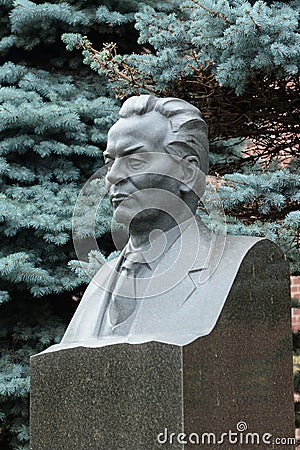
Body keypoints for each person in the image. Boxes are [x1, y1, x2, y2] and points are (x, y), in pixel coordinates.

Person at [60, 95, 266, 347]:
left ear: (187, 172)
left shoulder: (240, 262)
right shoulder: (100, 283)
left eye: (134, 160)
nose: (112, 176)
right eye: (109, 162)